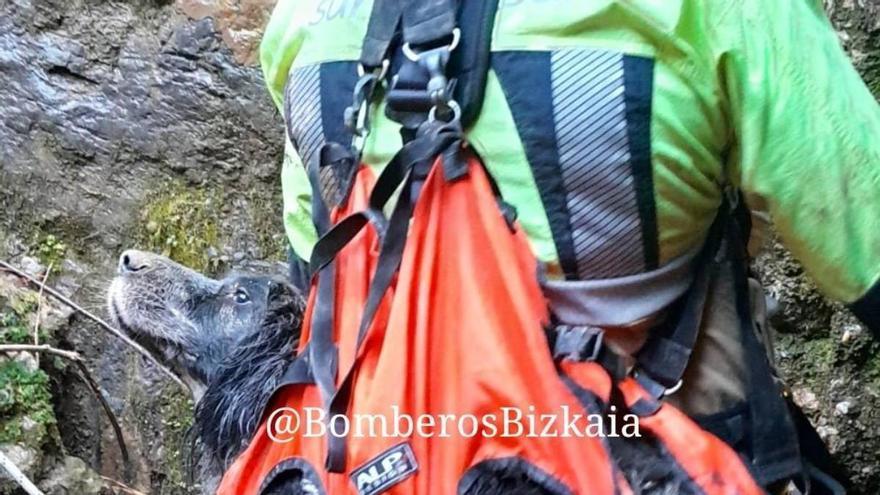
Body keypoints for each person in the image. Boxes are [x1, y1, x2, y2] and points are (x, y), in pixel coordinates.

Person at [258, 0, 879, 491]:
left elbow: (318, 285)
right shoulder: (720, 11)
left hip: (391, 459)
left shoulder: (304, 24)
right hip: (667, 458)